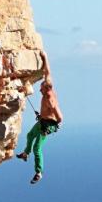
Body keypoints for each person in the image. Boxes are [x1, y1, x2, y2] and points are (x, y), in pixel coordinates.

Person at [17, 51, 63, 184]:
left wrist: (52, 128)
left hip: (47, 125)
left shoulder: (50, 100)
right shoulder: (48, 83)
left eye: (41, 89)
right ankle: (25, 154)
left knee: (37, 148)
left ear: (46, 90)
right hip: (43, 120)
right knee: (30, 135)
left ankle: (39, 172)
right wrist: (45, 57)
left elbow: (60, 117)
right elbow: (47, 71)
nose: (39, 90)